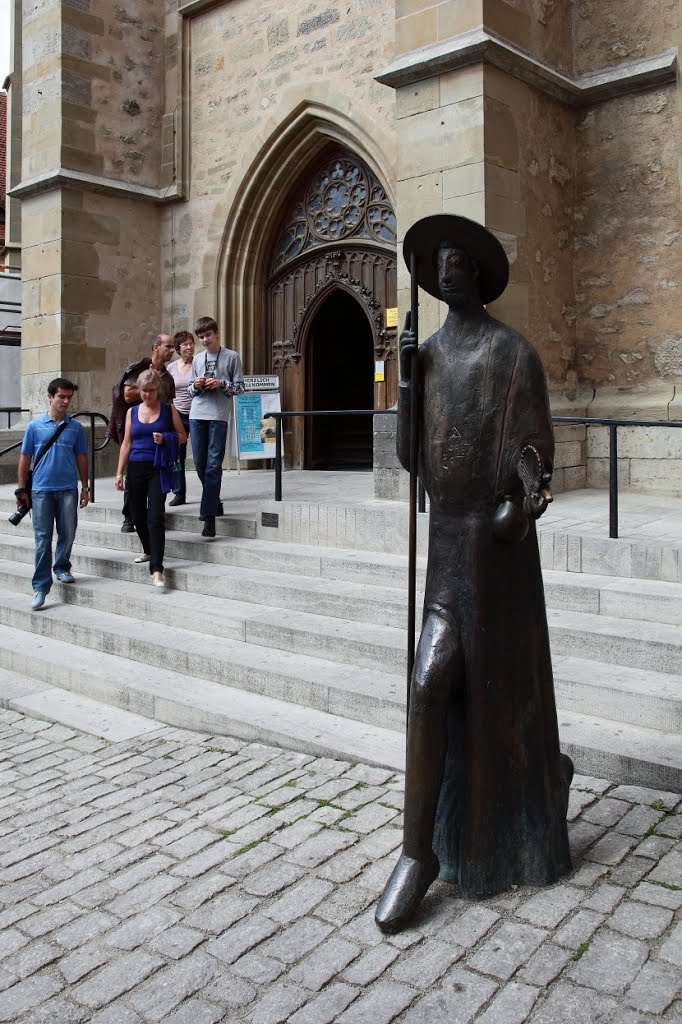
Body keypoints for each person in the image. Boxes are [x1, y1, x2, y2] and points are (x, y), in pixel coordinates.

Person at [375, 215, 573, 934]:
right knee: (429, 684)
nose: (448, 268)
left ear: (479, 273)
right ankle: (417, 853)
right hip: (444, 551)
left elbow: (532, 450)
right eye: (440, 262)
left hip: (496, 560)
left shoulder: (511, 353)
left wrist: (523, 500)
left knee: (500, 698)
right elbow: (408, 460)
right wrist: (404, 384)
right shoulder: (425, 357)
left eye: (458, 259)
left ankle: (541, 785)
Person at [16, 378, 90, 610]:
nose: (66, 401)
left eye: (69, 397)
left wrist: (85, 487)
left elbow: (82, 457)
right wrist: (20, 489)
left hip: (68, 488)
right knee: (42, 540)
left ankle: (61, 566)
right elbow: (25, 458)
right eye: (61, 397)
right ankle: (40, 586)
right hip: (40, 490)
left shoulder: (75, 428)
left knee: (67, 533)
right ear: (50, 397)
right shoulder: (34, 427)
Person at [114, 369, 186, 589]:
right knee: (137, 516)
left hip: (157, 467)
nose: (147, 395)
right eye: (143, 391)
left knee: (155, 517)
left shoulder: (167, 409)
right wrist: (119, 472)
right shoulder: (132, 412)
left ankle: (157, 568)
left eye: (151, 391)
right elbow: (126, 443)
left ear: (158, 390)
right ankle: (148, 550)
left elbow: (182, 436)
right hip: (135, 467)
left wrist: (165, 438)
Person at [107, 333, 177, 531]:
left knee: (159, 472)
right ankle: (129, 516)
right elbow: (127, 394)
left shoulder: (169, 379)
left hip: (159, 430)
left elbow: (170, 402)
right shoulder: (138, 369)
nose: (172, 350)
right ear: (156, 347)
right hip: (137, 427)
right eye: (168, 346)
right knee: (133, 475)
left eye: (173, 347)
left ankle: (156, 513)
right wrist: (149, 386)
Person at [188, 315, 244, 538]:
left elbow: (240, 388)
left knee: (213, 465)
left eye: (208, 335)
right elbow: (190, 391)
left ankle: (209, 517)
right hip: (197, 414)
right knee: (201, 464)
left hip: (219, 416)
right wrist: (198, 384)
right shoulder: (197, 359)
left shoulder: (232, 357)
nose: (204, 340)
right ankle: (214, 501)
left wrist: (221, 383)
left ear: (217, 333)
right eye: (201, 336)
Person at [167, 330, 195, 506]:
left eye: (191, 343)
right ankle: (179, 493)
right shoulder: (171, 368)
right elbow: (168, 392)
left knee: (202, 456)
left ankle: (211, 493)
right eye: (185, 344)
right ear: (178, 348)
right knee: (177, 456)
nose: (190, 346)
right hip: (177, 415)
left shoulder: (199, 363)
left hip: (197, 414)